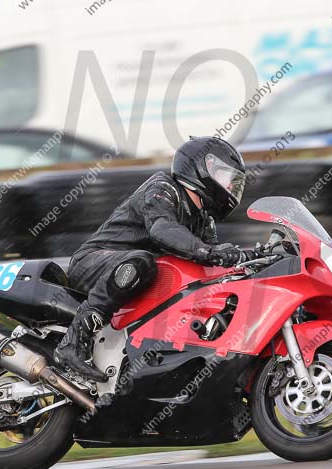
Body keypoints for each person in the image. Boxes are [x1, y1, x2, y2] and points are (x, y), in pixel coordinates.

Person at [53, 136, 256, 382]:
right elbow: (163, 230)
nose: (231, 188)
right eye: (227, 178)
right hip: (93, 262)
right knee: (141, 262)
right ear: (203, 167)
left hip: (131, 277)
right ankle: (73, 342)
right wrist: (208, 252)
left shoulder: (203, 220)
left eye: (235, 183)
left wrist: (246, 257)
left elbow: (213, 264)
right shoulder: (163, 188)